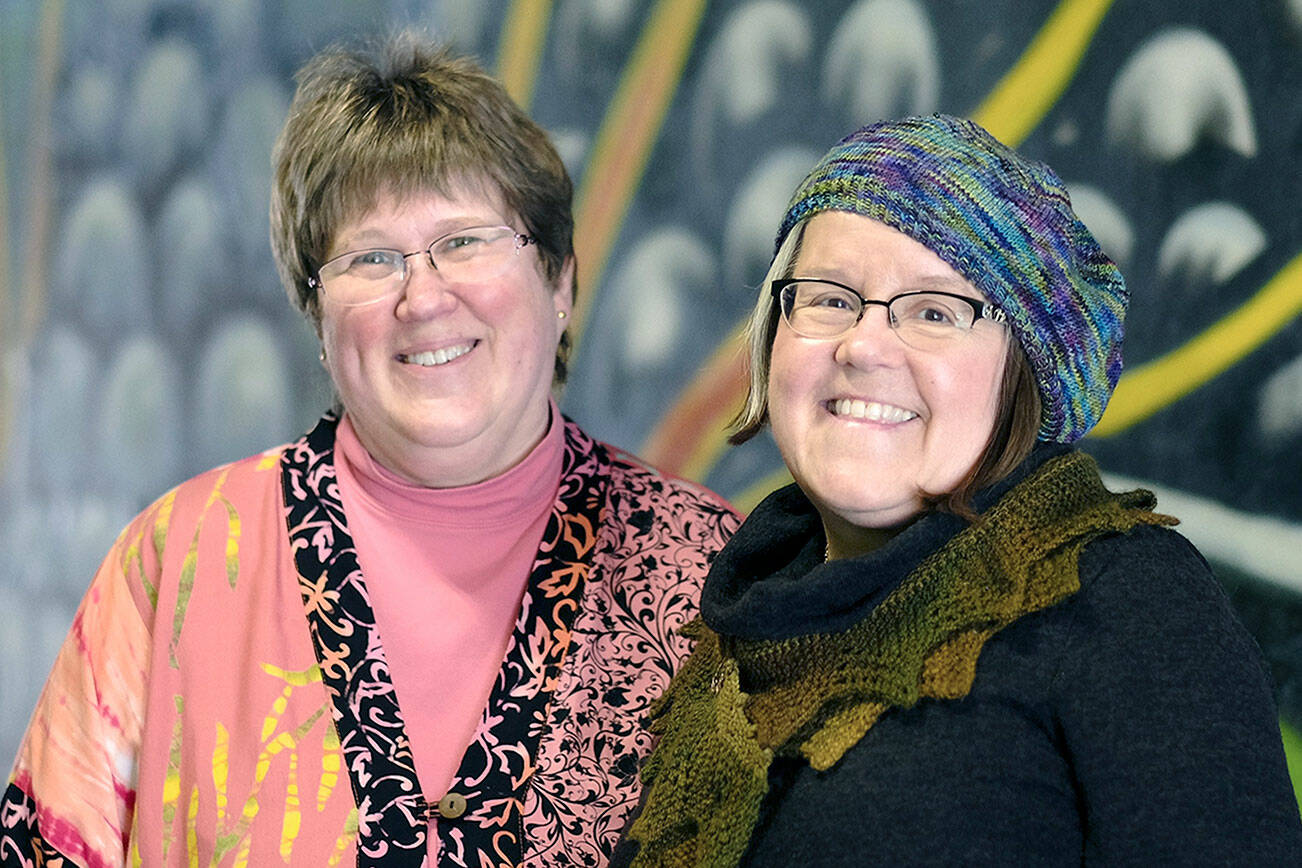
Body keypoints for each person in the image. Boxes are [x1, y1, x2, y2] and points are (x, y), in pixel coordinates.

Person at [2, 35, 738, 866]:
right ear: (318, 321)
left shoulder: (715, 573)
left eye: (465, 241)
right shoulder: (177, 562)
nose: (423, 297)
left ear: (560, 281)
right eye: (371, 258)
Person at [614, 115, 1302, 866]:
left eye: (935, 311)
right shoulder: (742, 621)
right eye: (830, 299)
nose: (864, 344)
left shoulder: (1121, 599)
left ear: (1023, 372)